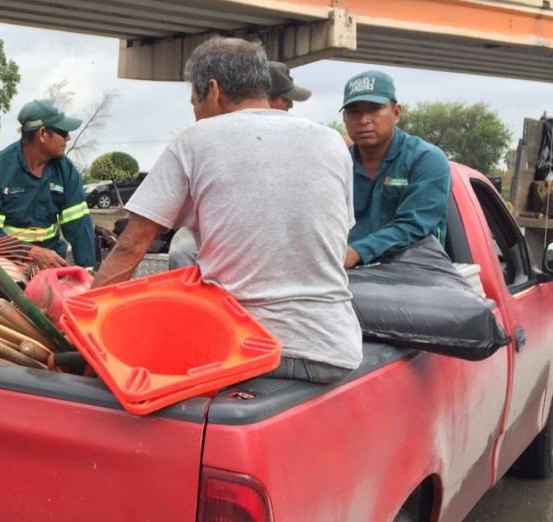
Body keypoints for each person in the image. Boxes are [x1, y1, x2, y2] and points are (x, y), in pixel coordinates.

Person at [93, 37, 362, 383]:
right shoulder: (332, 142)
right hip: (335, 352)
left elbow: (132, 246)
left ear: (214, 90)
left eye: (195, 101)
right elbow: (334, 239)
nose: (194, 112)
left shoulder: (196, 140)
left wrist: (83, 324)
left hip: (244, 355)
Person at [165, 60, 313, 269]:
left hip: (277, 228)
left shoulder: (304, 140)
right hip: (226, 226)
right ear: (263, 98)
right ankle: (197, 300)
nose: (291, 106)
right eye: (286, 99)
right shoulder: (210, 141)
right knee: (184, 248)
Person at [341, 70, 451, 268]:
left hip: (415, 277)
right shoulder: (338, 164)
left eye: (374, 109)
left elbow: (413, 225)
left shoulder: (426, 159)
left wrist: (357, 252)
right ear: (344, 119)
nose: (364, 120)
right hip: (347, 277)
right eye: (354, 111)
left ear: (396, 113)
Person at [0, 98, 96, 270]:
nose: (67, 137)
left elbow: (79, 226)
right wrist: (32, 253)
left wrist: (88, 272)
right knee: (10, 289)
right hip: (8, 261)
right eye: (63, 131)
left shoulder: (66, 170)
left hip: (52, 259)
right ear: (43, 133)